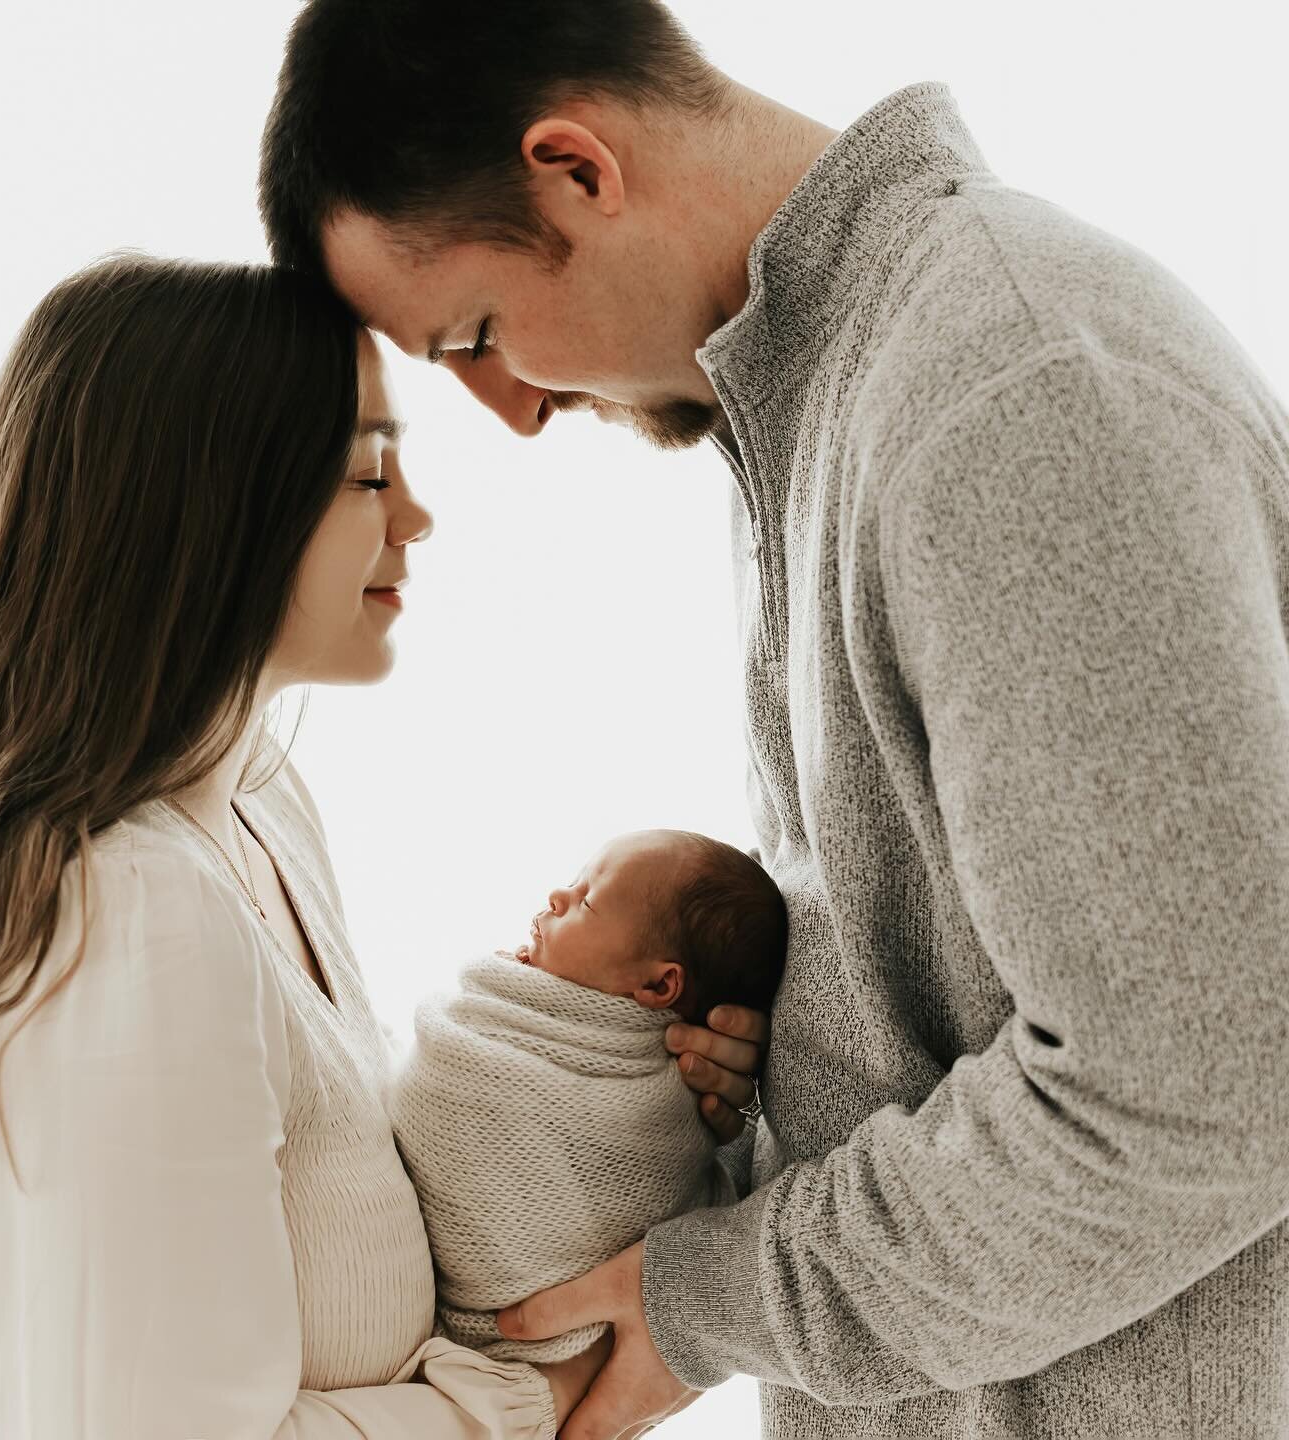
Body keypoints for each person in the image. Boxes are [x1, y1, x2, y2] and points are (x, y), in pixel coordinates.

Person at [256, 2, 1289, 1437]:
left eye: (480, 335)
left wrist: (722, 1300)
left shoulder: (1010, 390)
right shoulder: (825, 409)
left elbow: (1206, 1088)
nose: (516, 415)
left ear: (576, 169)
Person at [0, 253, 765, 1438]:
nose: (417, 516)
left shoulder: (257, 797)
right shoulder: (125, 908)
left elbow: (340, 1185)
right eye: (368, 470)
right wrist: (533, 1397)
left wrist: (629, 1103)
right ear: (213, 516)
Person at [388, 829, 786, 1362]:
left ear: (658, 987)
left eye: (587, 899)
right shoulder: (545, 1026)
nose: (556, 895)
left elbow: (455, 1087)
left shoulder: (656, 1105)